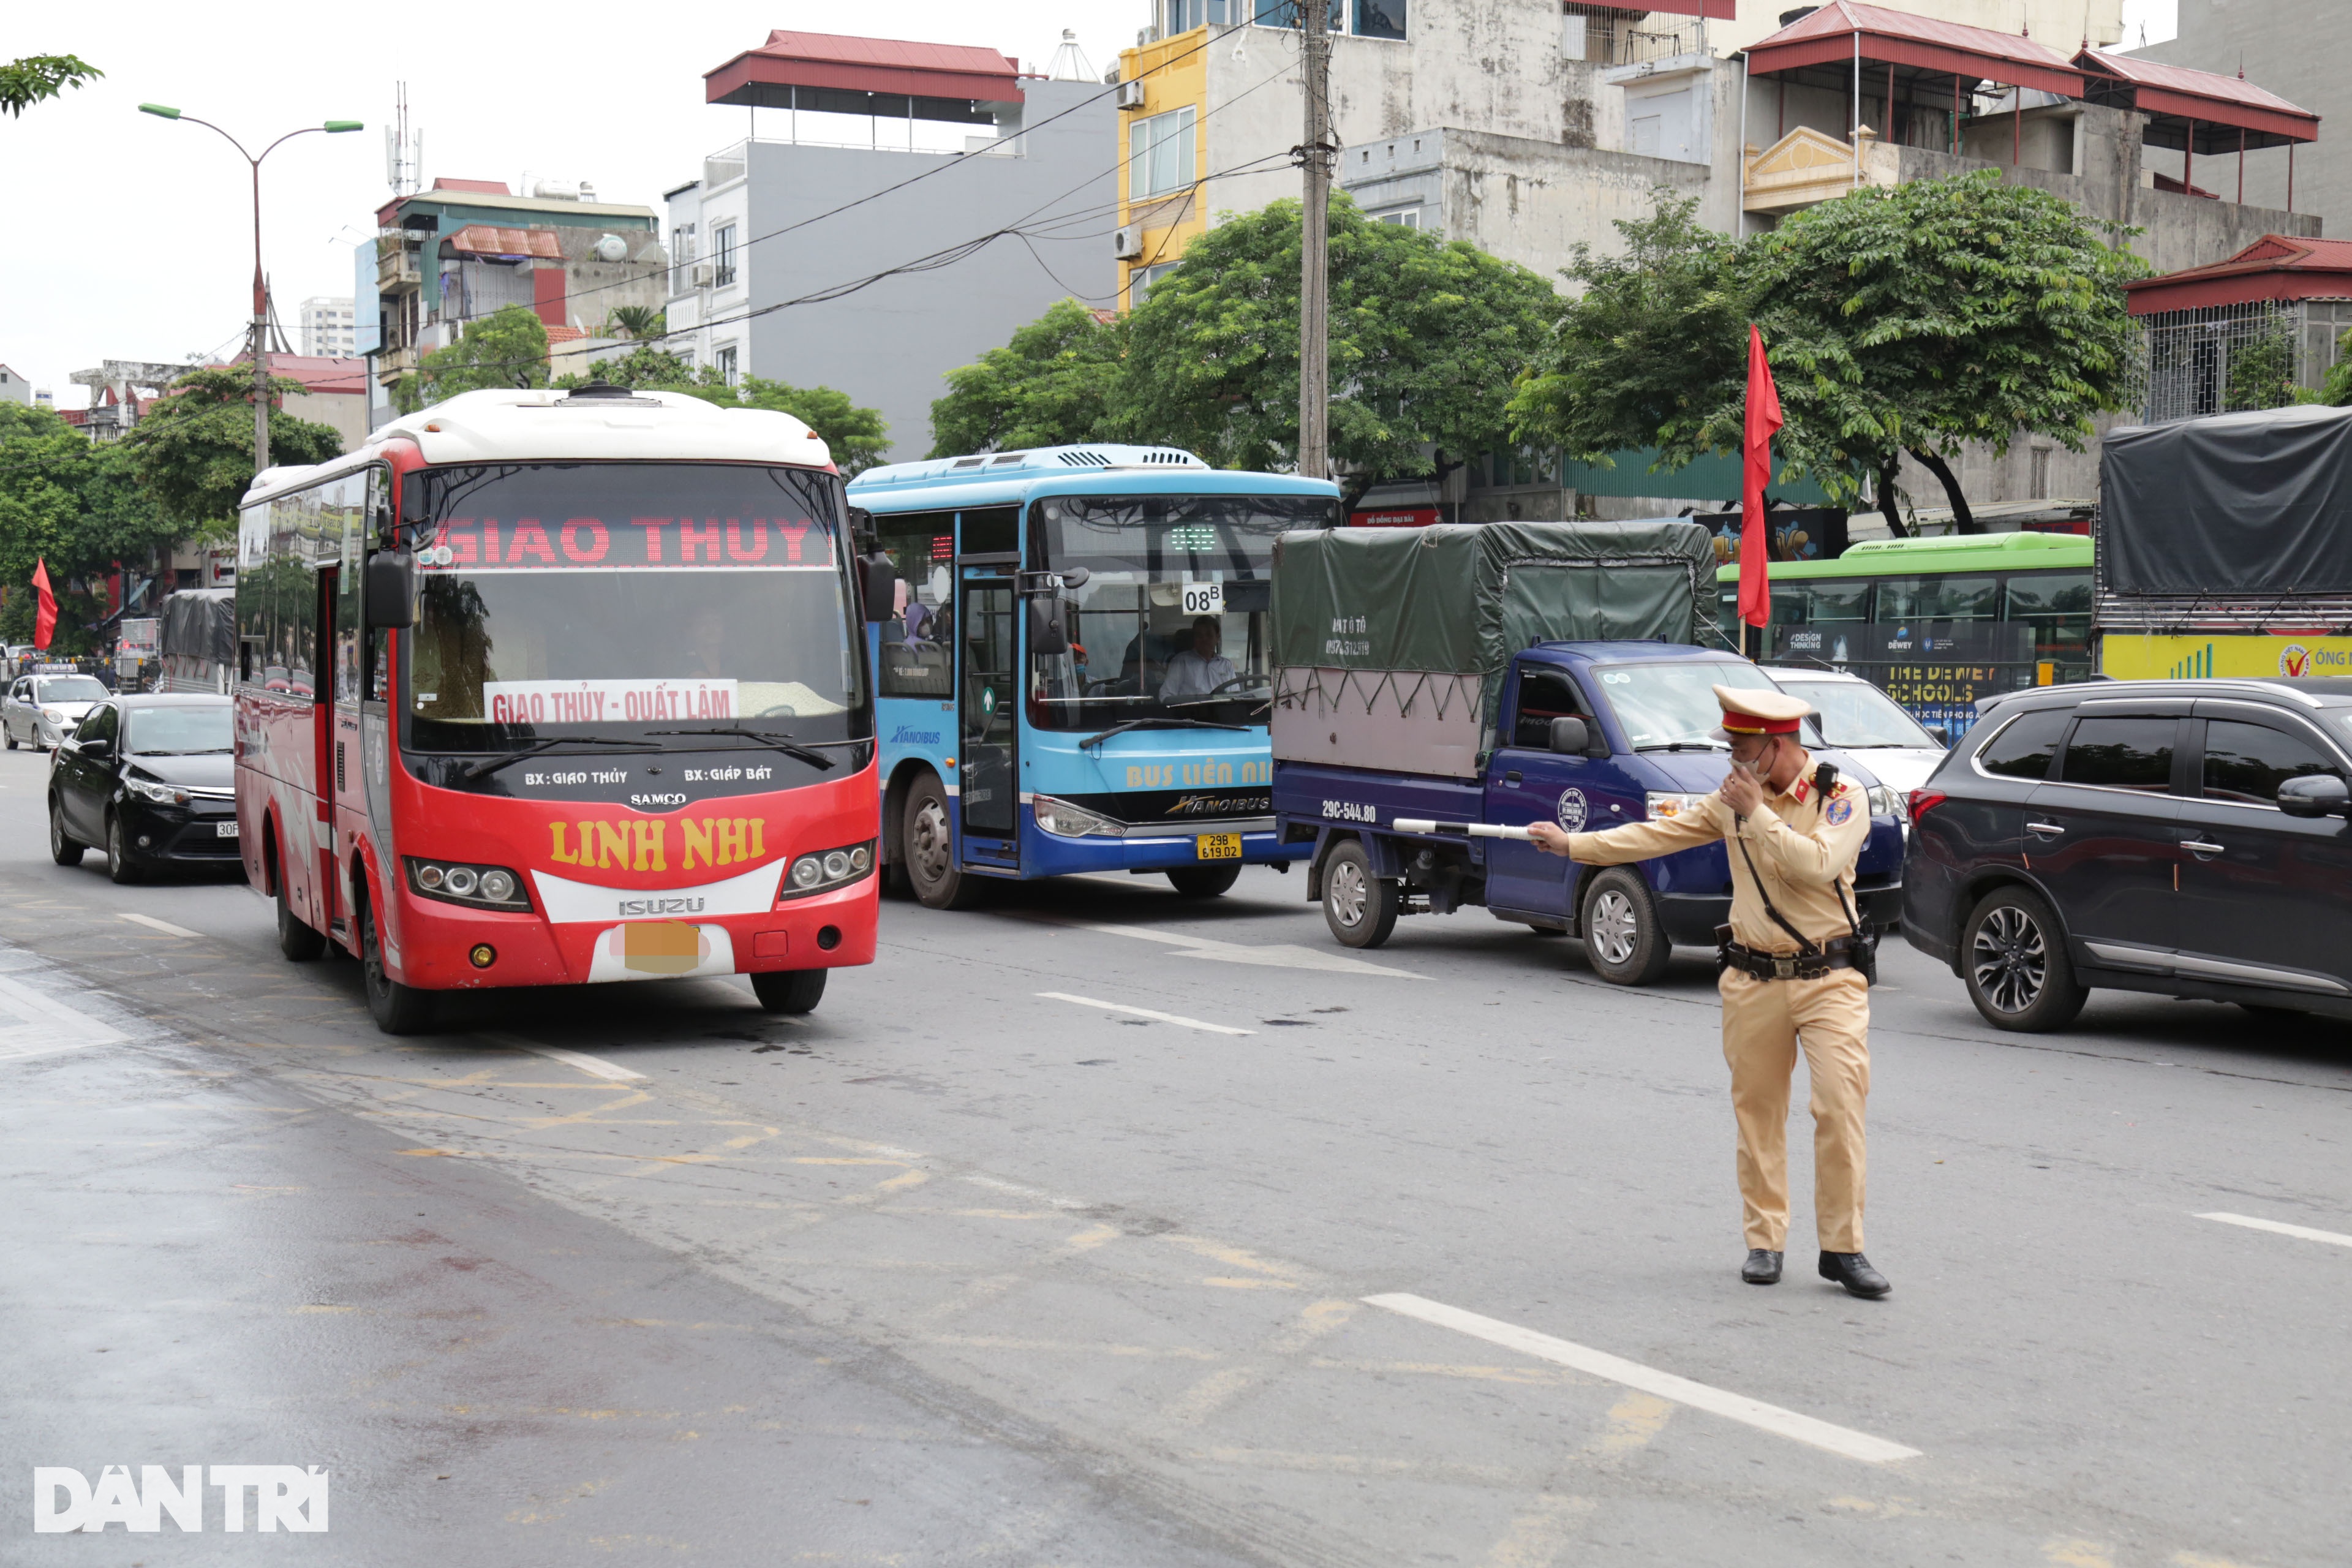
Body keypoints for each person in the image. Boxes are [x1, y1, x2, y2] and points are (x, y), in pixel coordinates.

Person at [1526, 685, 1889, 1300]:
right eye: (1730, 750)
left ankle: (1843, 1248)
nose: (1732, 765)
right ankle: (1765, 1240)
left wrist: (1758, 815)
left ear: (1777, 748)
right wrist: (1575, 846)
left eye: (1742, 751)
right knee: (1757, 1113)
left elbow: (1819, 865)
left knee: (1839, 1108)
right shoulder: (1732, 802)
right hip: (1753, 978)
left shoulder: (1839, 795)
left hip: (1829, 979)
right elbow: (1656, 836)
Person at [1158, 616, 1235, 702]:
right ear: (1194, 638)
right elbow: (1166, 696)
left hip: (1222, 712)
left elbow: (1236, 696)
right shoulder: (1181, 662)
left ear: (1217, 637)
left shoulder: (1226, 665)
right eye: (1199, 635)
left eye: (1209, 635)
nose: (1204, 639)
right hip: (1191, 713)